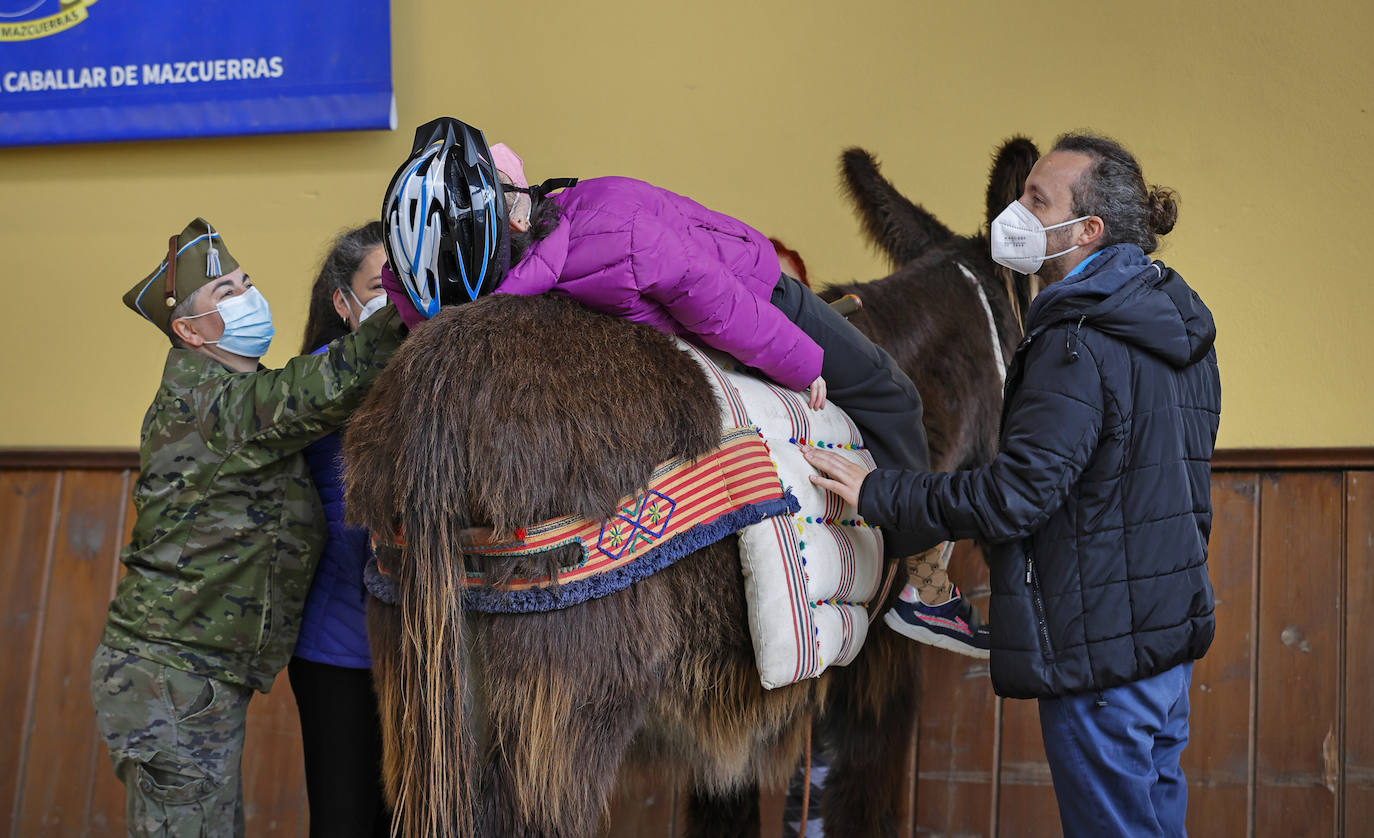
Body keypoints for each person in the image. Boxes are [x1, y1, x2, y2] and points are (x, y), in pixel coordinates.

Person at [802, 133, 1220, 836]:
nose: (1015, 216)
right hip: (1162, 654)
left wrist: (878, 490)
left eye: (1037, 199)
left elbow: (1012, 498)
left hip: (1101, 667)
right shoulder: (1176, 327)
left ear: (1088, 230)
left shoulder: (1076, 341)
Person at [379, 117, 948, 579]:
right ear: (521, 211)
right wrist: (801, 364)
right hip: (759, 291)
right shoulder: (613, 228)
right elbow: (720, 302)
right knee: (892, 392)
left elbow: (407, 298)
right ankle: (920, 578)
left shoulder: (439, 293)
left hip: (691, 319)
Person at [92, 218, 405, 837]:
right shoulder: (213, 404)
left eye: (246, 283)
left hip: (193, 675)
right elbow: (326, 383)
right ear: (189, 330)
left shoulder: (236, 393)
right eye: (226, 295)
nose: (247, 298)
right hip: (173, 677)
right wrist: (413, 302)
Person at [288, 221, 392, 837]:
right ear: (343, 304)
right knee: (346, 822)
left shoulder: (442, 376)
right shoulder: (322, 380)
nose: (399, 300)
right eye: (381, 286)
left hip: (426, 655)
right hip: (341, 654)